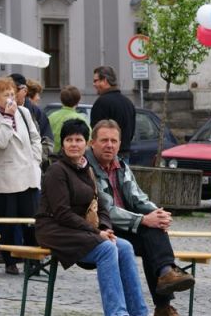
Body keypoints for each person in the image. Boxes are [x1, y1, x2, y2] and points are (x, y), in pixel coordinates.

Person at [35, 119, 149, 316]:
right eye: (69, 140)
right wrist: (97, 233)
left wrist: (104, 228)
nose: (73, 144)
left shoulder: (86, 170)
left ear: (86, 143)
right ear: (63, 144)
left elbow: (102, 205)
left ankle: (139, 312)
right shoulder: (57, 170)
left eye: (78, 140)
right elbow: (62, 213)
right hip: (55, 229)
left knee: (124, 247)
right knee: (106, 248)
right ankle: (117, 313)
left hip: (80, 230)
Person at [87, 120, 194, 316]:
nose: (109, 145)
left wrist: (157, 213)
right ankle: (163, 300)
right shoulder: (88, 169)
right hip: (102, 228)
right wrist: (143, 220)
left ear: (120, 143)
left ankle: (165, 278)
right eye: (104, 140)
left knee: (154, 229)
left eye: (114, 140)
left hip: (125, 226)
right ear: (92, 143)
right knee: (149, 230)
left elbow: (138, 197)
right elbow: (106, 209)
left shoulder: (122, 165)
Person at [0, 77, 41, 275]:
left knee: (30, 221)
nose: (10, 98)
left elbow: (35, 137)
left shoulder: (24, 112)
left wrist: (36, 160)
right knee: (8, 221)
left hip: (28, 174)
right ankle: (9, 259)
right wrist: (7, 118)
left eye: (12, 94)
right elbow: (0, 143)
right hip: (7, 177)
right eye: (5, 95)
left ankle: (32, 260)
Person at [91, 66, 136, 162]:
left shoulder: (101, 102)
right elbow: (131, 133)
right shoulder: (128, 102)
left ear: (105, 80)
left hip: (107, 157)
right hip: (125, 155)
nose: (94, 84)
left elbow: (95, 133)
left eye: (96, 81)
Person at [9, 73, 53, 170]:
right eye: (7, 91)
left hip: (33, 168)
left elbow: (48, 141)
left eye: (15, 90)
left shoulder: (36, 113)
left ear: (24, 91)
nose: (11, 94)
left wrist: (35, 161)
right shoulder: (2, 111)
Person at [48, 85, 90, 152]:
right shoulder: (81, 120)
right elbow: (88, 139)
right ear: (78, 101)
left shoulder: (51, 117)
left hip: (52, 157)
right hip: (74, 156)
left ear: (61, 100)